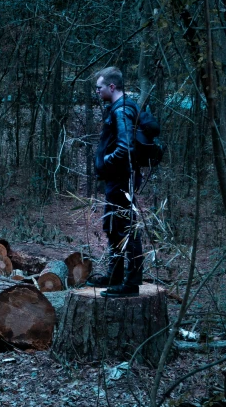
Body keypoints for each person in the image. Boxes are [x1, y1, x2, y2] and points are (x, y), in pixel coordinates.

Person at [87, 66, 144, 297]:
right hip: (117, 179)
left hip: (121, 179)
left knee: (125, 229)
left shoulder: (121, 111)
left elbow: (125, 148)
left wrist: (105, 162)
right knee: (113, 227)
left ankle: (131, 284)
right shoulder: (119, 108)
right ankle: (116, 275)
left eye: (99, 88)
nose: (97, 92)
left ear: (112, 87)